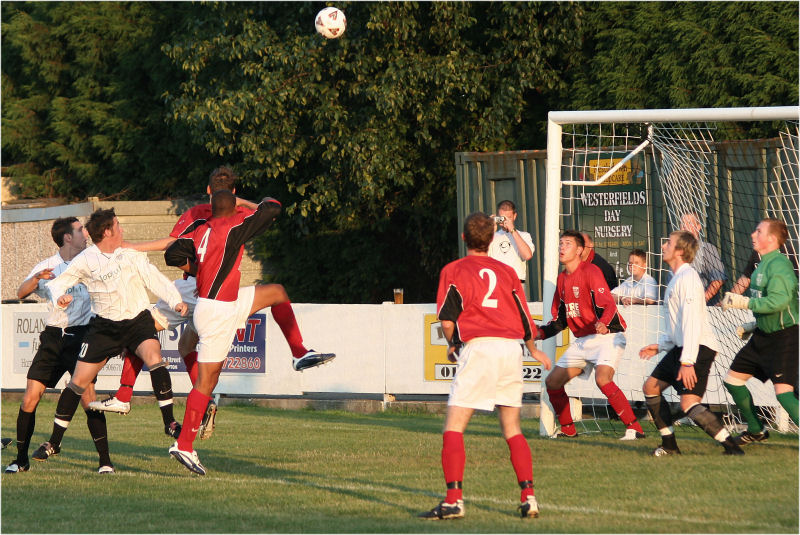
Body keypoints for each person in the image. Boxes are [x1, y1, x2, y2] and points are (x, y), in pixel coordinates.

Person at [164, 190, 335, 475]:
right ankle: (184, 444)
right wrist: (242, 202)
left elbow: (172, 253)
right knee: (206, 383)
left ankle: (299, 353)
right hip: (219, 310)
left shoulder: (202, 228)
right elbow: (272, 207)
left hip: (220, 302)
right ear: (231, 210)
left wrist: (199, 270)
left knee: (277, 292)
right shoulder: (232, 226)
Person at [29, 208, 188, 468]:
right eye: (118, 225)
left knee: (154, 358)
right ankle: (55, 442)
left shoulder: (131, 253)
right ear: (107, 232)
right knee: (78, 383)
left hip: (137, 321)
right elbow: (59, 281)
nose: (122, 229)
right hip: (104, 327)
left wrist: (176, 300)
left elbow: (154, 278)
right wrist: (59, 296)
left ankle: (169, 423)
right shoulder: (87, 259)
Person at [420, 212, 552, 520]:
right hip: (510, 350)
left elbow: (448, 318)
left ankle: (454, 500)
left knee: (454, 426)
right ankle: (529, 497)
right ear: (492, 240)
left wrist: (453, 345)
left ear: (464, 238)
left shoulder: (453, 269)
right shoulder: (506, 272)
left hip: (479, 348)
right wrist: (533, 349)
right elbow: (523, 317)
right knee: (512, 428)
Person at [4, 218, 114, 474]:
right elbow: (21, 292)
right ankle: (20, 460)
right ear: (67, 237)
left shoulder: (92, 262)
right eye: (79, 230)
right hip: (53, 338)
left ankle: (105, 461)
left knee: (89, 399)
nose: (85, 234)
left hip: (81, 337)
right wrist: (36, 279)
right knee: (30, 397)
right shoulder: (48, 266)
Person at [639, 231, 744, 456]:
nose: (664, 245)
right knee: (651, 387)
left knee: (688, 403)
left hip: (697, 348)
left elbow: (692, 322)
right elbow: (678, 324)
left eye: (668, 242)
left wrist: (687, 362)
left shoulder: (688, 278)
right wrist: (660, 346)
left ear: (679, 251)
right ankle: (669, 445)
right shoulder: (676, 278)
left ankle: (732, 448)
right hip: (683, 347)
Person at [539, 230, 646, 440]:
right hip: (584, 340)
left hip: (608, 336)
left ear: (579, 250)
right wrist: (538, 333)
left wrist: (603, 323)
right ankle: (568, 431)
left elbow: (609, 306)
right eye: (560, 243)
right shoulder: (562, 279)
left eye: (567, 244)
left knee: (603, 379)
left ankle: (635, 429)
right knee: (552, 382)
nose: (561, 247)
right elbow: (560, 321)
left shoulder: (591, 271)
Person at [721, 218, 798, 444]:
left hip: (784, 336)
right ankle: (756, 430)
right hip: (763, 336)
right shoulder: (761, 264)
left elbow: (780, 302)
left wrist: (743, 303)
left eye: (758, 231)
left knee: (784, 394)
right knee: (732, 381)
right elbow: (767, 304)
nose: (753, 235)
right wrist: (754, 325)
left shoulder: (779, 265)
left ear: (771, 239)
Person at [488, 200, 535, 296]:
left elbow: (527, 255)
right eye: (502, 218)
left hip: (517, 284)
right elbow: (482, 257)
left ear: (514, 216)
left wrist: (512, 230)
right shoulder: (492, 236)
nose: (505, 221)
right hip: (496, 284)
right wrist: (488, 232)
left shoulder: (524, 235)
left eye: (508, 218)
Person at [679, 213, 726, 304]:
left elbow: (718, 279)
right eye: (682, 223)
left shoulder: (706, 249)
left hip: (702, 310)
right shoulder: (676, 251)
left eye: (689, 223)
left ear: (698, 227)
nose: (685, 226)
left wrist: (701, 301)